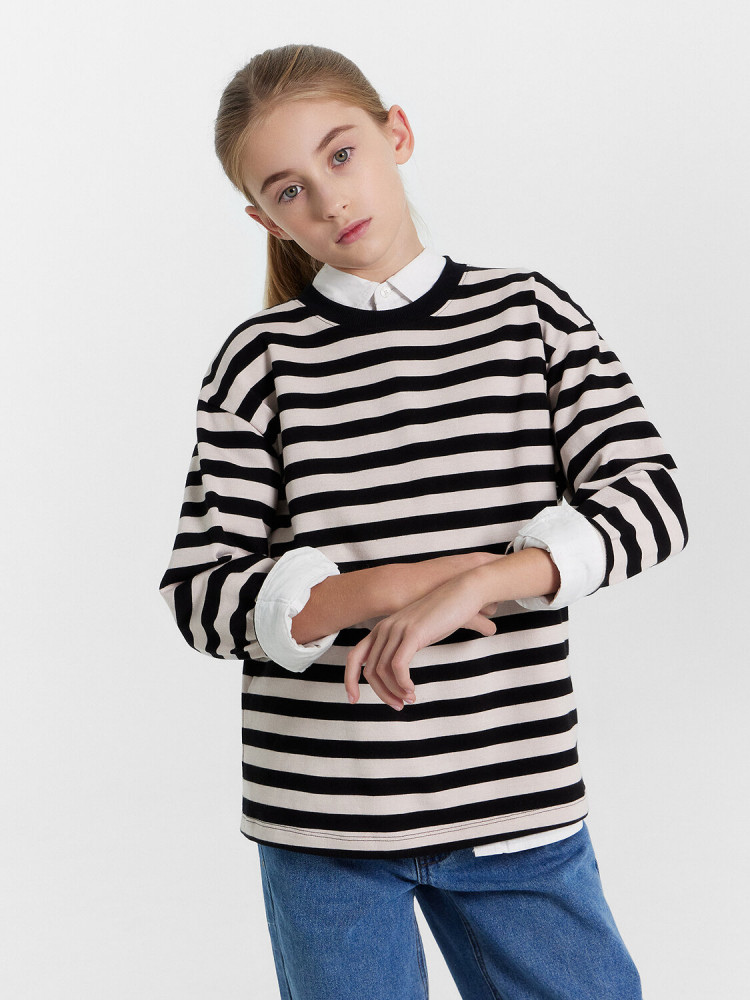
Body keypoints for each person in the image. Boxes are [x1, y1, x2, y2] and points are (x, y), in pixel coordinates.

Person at [158, 42, 688, 1000]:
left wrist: (482, 580)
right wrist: (394, 587)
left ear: (395, 134)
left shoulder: (528, 316)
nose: (329, 200)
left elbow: (652, 498)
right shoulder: (259, 362)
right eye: (288, 190)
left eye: (342, 153)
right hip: (324, 824)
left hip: (514, 801)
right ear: (263, 218)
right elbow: (201, 596)